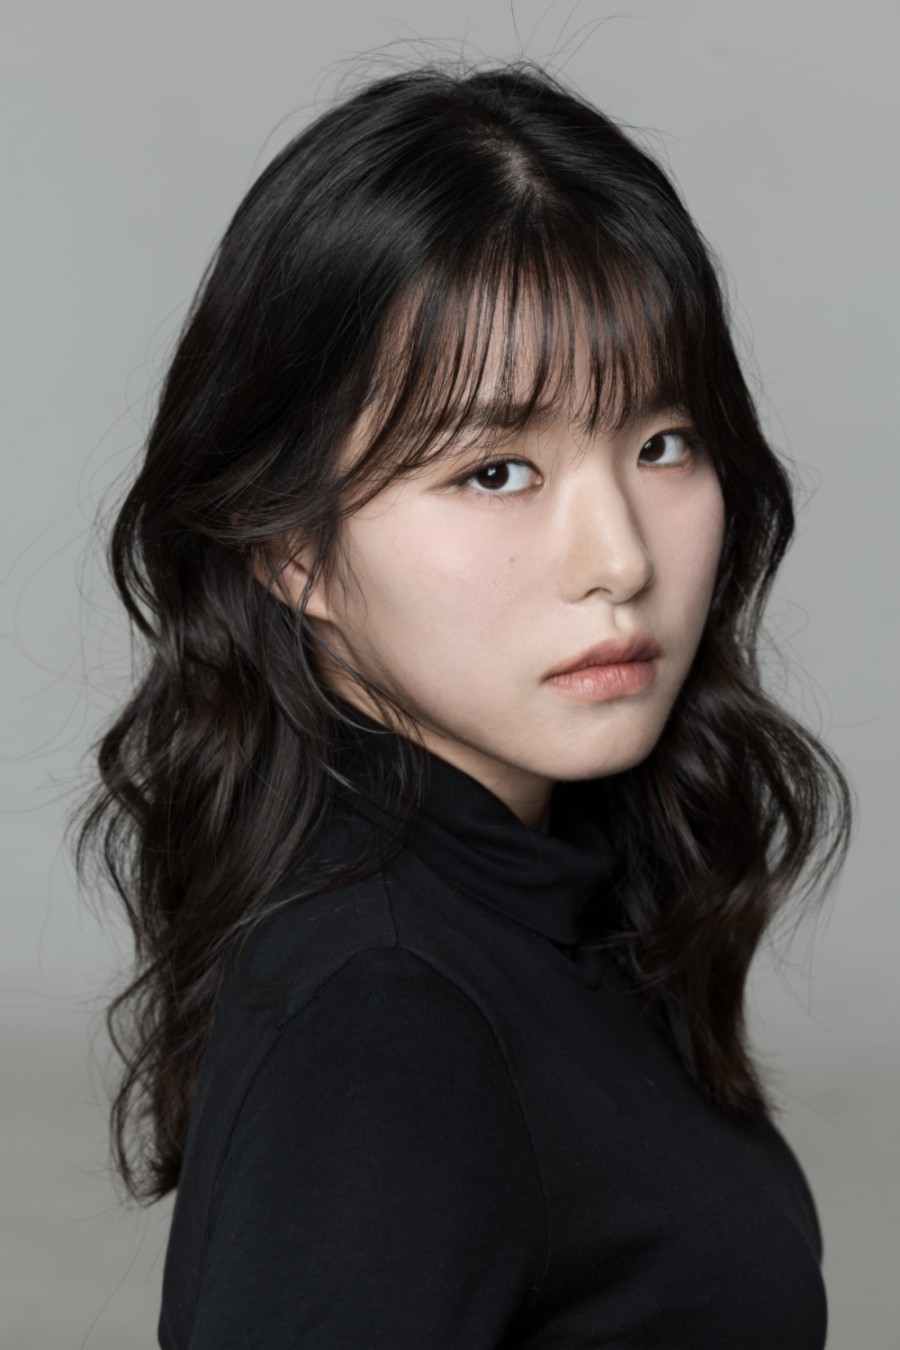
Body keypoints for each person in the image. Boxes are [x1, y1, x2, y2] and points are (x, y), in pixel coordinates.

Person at [70, 57, 854, 1348]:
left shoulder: (557, 895)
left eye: (662, 443)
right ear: (291, 546)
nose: (620, 559)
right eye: (497, 471)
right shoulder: (390, 1014)